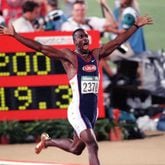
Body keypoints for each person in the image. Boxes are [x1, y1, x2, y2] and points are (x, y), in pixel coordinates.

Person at [0, 15, 152, 165]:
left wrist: (136, 26)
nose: (85, 39)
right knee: (92, 145)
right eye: (80, 37)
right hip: (77, 111)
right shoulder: (69, 57)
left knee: (76, 148)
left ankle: (47, 142)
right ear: (75, 42)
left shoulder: (97, 54)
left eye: (86, 36)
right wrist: (15, 36)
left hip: (92, 112)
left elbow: (118, 41)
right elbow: (41, 48)